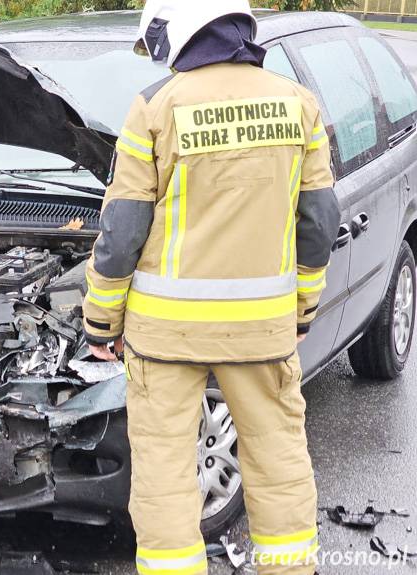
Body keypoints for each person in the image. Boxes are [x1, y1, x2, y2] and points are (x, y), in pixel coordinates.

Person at [81, 2, 340, 574]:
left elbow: (122, 233)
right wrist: (302, 308)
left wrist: (101, 323)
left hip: (166, 335)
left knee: (166, 475)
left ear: (178, 29)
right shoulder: (297, 104)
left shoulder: (155, 107)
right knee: (279, 461)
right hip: (262, 331)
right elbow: (319, 223)